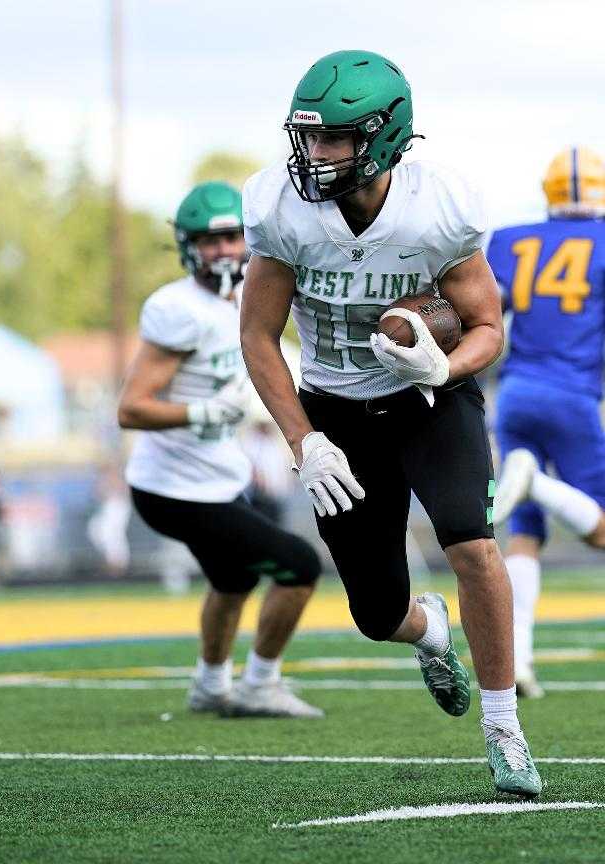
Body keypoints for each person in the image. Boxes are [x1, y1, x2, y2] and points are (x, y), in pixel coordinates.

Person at [239, 50, 541, 797]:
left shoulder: (439, 204)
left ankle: (504, 728)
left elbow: (486, 327)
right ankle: (428, 630)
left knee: (472, 541)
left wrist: (444, 368)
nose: (316, 154)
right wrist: (303, 439)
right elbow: (257, 335)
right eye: (308, 137)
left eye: (334, 139)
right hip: (335, 410)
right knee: (376, 613)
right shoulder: (281, 206)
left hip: (429, 399)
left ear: (382, 136)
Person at [119, 181, 324, 719]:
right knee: (298, 566)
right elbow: (131, 408)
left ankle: (211, 685)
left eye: (233, 237)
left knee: (233, 578)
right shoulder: (177, 308)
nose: (225, 251)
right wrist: (202, 412)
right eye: (210, 242)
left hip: (218, 477)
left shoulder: (252, 298)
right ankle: (259, 683)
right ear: (187, 247)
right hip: (172, 487)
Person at [487, 147, 605, 699]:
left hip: (515, 391)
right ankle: (536, 480)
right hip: (574, 395)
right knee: (601, 528)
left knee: (525, 533)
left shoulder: (511, 239)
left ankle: (520, 660)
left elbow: (487, 311)